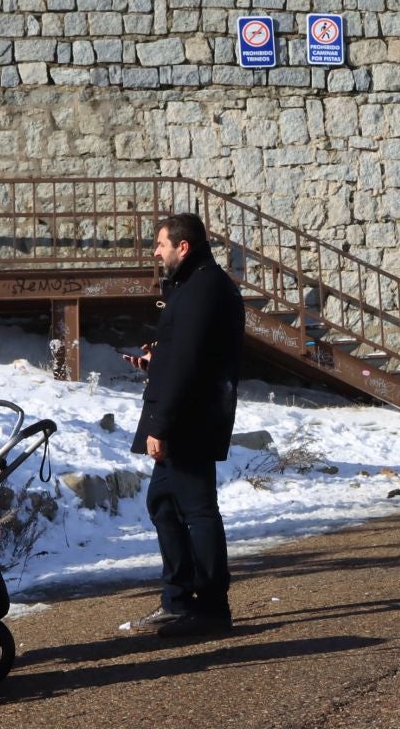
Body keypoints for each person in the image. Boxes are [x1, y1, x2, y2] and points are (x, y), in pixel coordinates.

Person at [128, 212, 245, 638]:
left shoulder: (203, 290)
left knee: (197, 510)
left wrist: (163, 424)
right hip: (187, 413)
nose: (156, 253)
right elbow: (183, 355)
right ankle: (178, 599)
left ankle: (210, 605)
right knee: (163, 503)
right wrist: (154, 360)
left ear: (183, 246)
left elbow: (191, 365)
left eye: (160, 245)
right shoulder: (195, 287)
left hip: (189, 420)